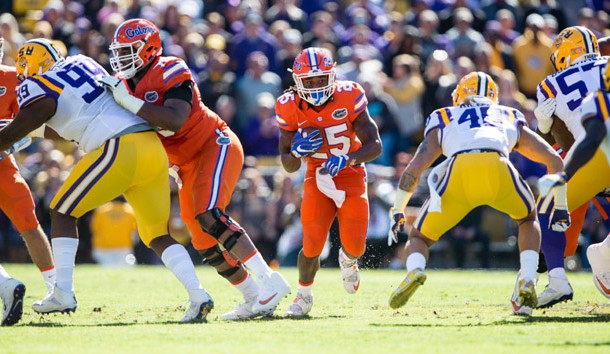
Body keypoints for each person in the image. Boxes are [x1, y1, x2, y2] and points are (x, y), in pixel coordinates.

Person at [0, 38, 213, 323]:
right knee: (156, 234)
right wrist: (25, 134)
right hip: (150, 148)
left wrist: (10, 136)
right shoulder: (83, 62)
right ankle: (198, 294)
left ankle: (62, 292)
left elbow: (37, 113)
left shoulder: (35, 86)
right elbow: (66, 117)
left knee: (62, 211)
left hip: (117, 147)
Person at [100, 18, 290, 320]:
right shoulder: (122, 85)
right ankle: (252, 296)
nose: (121, 59)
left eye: (128, 51)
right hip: (183, 164)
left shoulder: (170, 68)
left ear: (149, 49)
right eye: (118, 52)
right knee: (201, 238)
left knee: (209, 214)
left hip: (214, 145)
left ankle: (269, 280)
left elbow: (174, 119)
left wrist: (129, 103)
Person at [387, 71, 567, 315]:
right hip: (497, 167)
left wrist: (398, 207)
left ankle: (415, 269)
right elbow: (554, 160)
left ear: (460, 95)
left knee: (419, 238)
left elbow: (414, 168)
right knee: (527, 219)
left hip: (460, 172)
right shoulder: (507, 114)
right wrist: (561, 205)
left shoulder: (445, 115)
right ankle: (527, 276)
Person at [275, 47, 382, 317]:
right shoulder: (288, 105)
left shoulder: (349, 94)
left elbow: (375, 145)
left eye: (320, 79)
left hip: (350, 175)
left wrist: (348, 159)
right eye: (308, 81)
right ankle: (303, 296)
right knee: (311, 242)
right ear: (297, 81)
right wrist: (297, 152)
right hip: (317, 174)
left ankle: (348, 260)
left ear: (332, 76)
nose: (314, 86)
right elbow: (288, 164)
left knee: (356, 245)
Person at [533, 26, 610, 308]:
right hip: (598, 152)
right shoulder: (606, 63)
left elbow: (565, 143)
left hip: (594, 156)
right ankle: (603, 256)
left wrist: (544, 126)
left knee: (548, 206)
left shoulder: (550, 84)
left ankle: (557, 278)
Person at [0, 37, 56, 326]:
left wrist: (11, 141)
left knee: (30, 225)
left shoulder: (12, 77)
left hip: (2, 165)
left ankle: (55, 288)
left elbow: (32, 124)